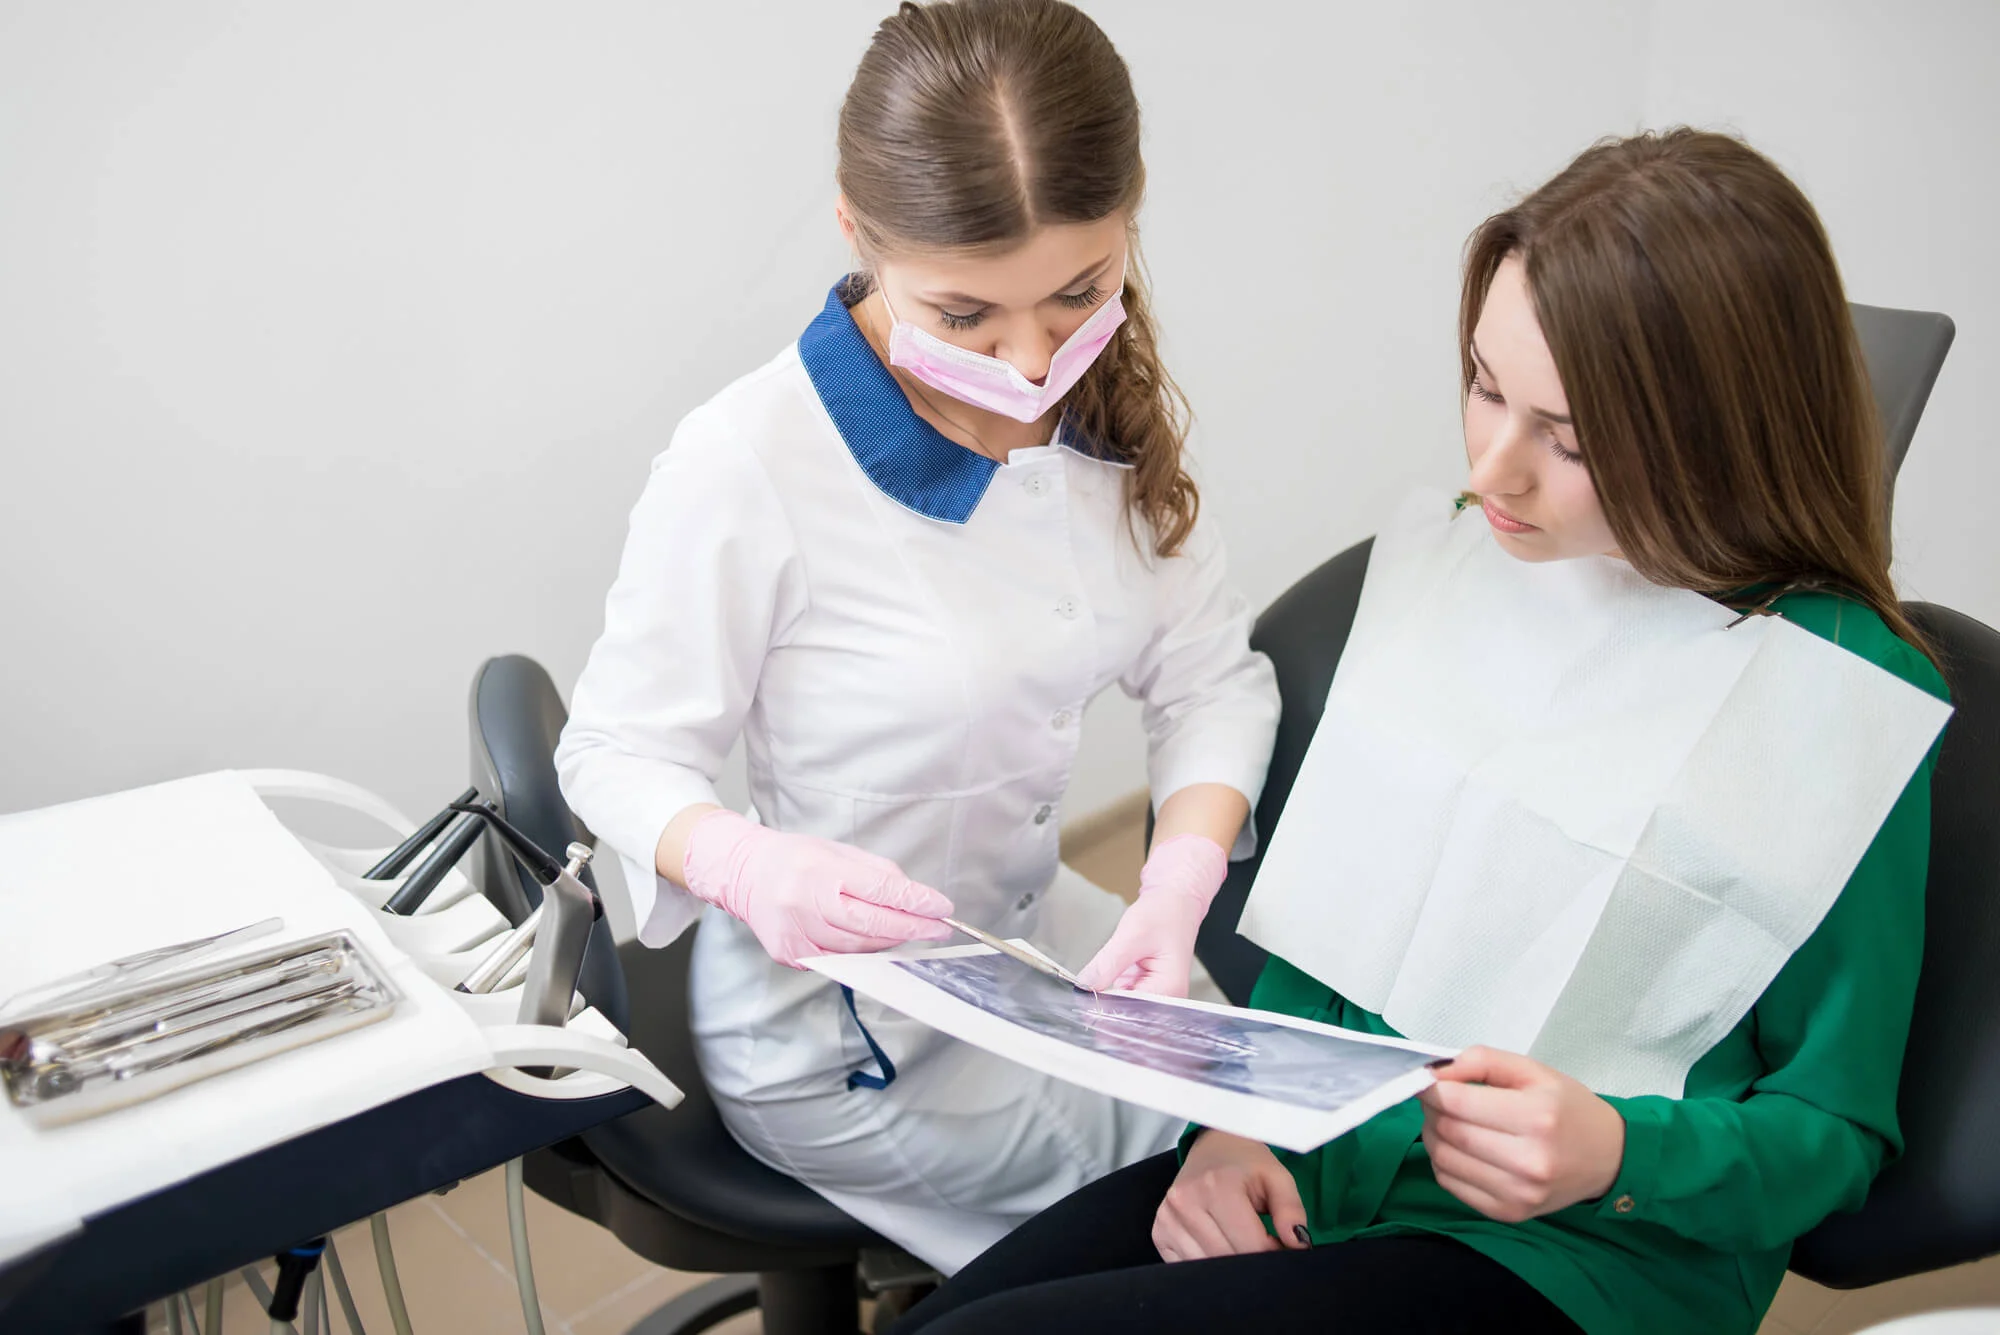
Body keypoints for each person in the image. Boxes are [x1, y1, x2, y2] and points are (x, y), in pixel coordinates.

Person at [893, 128, 1952, 1333]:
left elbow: (1833, 1131)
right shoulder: (1474, 567)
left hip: (1578, 1262)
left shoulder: (1832, 695)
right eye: (1484, 388)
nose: (1491, 471)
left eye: (1567, 438)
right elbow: (1328, 947)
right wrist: (1232, 1130)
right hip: (1320, 1169)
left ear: (1713, 434)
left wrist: (1616, 1153)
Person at [554, 0, 1279, 1272]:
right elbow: (611, 754)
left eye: (1076, 294)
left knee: (1276, 1143)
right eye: (964, 317)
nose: (1032, 362)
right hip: (847, 1035)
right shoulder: (748, 461)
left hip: (1039, 942)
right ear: (857, 232)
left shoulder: (1107, 409)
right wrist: (741, 863)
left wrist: (1178, 883)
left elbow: (1210, 682)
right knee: (1202, 1230)